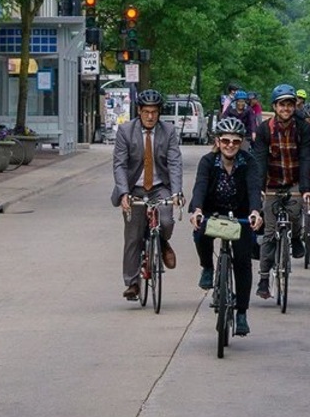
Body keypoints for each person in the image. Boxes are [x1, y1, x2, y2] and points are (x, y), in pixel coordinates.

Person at [189, 118, 264, 336]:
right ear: (218, 141)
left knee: (242, 261)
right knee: (201, 232)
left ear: (241, 143)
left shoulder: (249, 162)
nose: (230, 145)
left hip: (241, 214)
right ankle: (208, 267)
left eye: (235, 141)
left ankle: (241, 313)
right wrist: (197, 210)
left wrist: (255, 212)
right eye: (225, 141)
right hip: (213, 211)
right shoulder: (207, 161)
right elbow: (200, 187)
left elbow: (253, 188)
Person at [111, 89, 184, 301]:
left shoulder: (168, 131)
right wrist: (124, 193)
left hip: (160, 187)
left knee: (167, 220)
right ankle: (133, 283)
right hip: (135, 188)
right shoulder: (125, 131)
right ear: (139, 111)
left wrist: (177, 191)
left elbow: (174, 162)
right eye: (146, 112)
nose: (150, 116)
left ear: (159, 112)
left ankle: (161, 242)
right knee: (133, 235)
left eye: (154, 112)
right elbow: (119, 165)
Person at [252, 84, 310, 299]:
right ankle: (263, 279)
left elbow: (307, 157)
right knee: (269, 233)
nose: (286, 108)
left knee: (296, 214)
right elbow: (259, 159)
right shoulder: (264, 130)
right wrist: (259, 188)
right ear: (275, 106)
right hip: (271, 182)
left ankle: (296, 237)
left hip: (295, 181)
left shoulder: (303, 128)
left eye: (289, 104)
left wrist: (306, 188)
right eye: (282, 104)